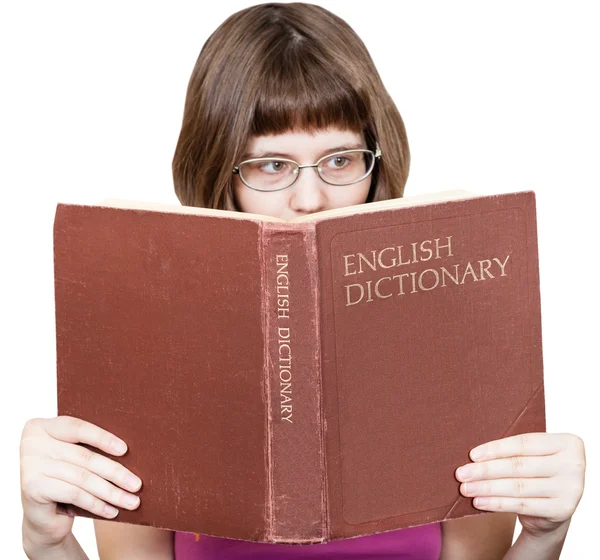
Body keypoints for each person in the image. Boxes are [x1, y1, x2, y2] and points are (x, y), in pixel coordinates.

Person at [20, 3, 586, 559]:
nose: (310, 199)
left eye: (340, 160)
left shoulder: (452, 329)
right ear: (219, 169)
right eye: (272, 165)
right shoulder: (147, 336)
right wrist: (47, 544)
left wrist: (543, 538)